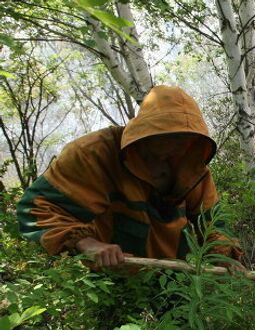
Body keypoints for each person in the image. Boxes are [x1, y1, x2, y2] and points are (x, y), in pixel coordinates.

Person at [17, 85, 242, 269]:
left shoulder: (190, 165)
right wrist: (87, 243)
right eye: (170, 135)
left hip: (173, 275)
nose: (179, 146)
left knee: (182, 324)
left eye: (187, 137)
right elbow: (37, 208)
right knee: (114, 324)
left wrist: (223, 257)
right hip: (112, 274)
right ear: (145, 130)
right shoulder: (93, 154)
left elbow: (214, 222)